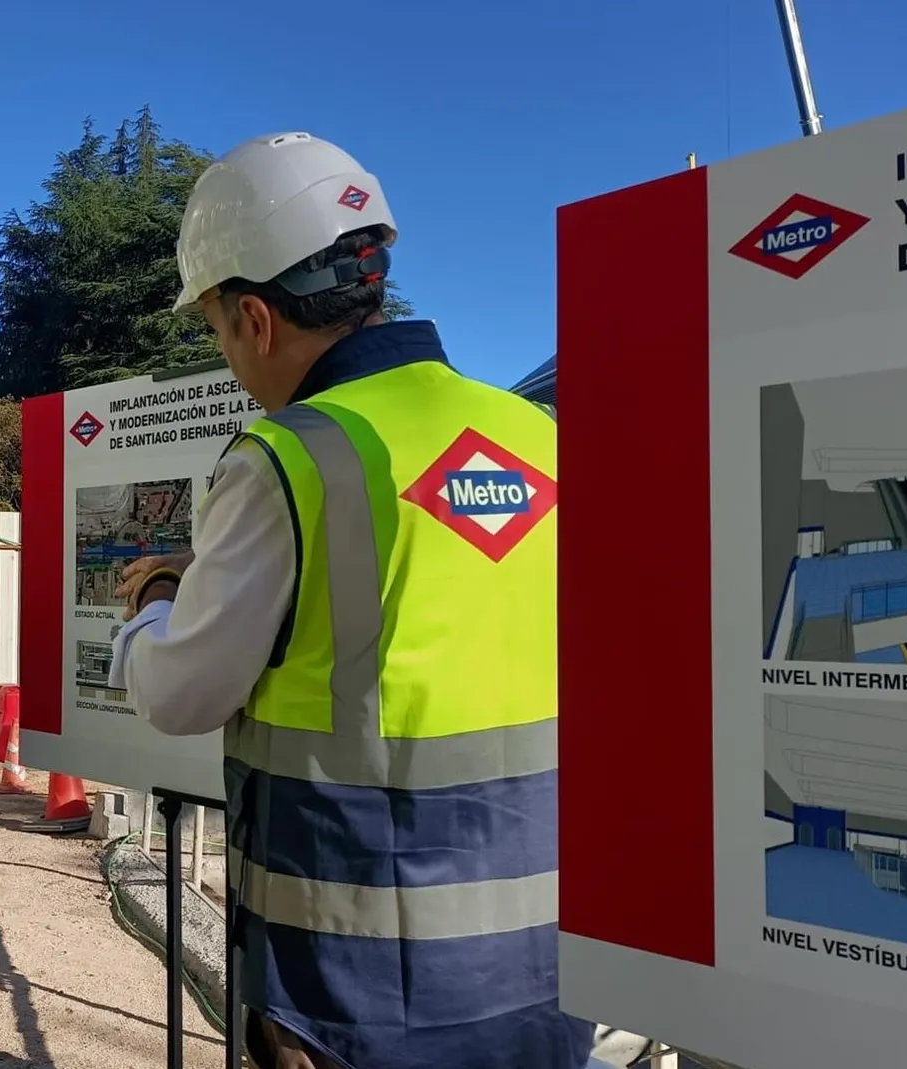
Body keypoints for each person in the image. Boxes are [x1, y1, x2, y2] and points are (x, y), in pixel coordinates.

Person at [110, 133, 597, 1069]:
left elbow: (180, 693)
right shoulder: (534, 432)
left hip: (358, 985)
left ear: (254, 317)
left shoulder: (289, 457)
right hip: (545, 965)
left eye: (215, 328)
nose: (228, 355)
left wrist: (159, 604)